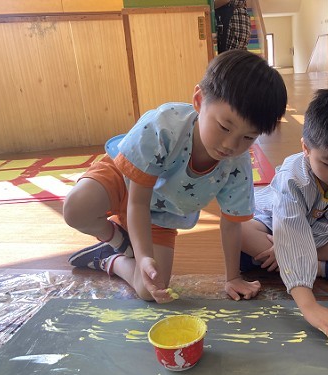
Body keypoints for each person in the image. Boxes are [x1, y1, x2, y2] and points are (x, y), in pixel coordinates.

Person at [63, 50, 287, 303]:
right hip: (125, 181)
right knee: (76, 208)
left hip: (160, 213)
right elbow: (137, 201)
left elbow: (231, 223)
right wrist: (142, 254)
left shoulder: (238, 163)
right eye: (224, 127)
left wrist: (232, 277)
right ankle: (117, 240)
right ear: (199, 100)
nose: (230, 145)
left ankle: (109, 259)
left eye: (248, 137)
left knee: (149, 289)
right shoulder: (164, 126)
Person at [240, 89, 328, 344]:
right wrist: (309, 306)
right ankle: (320, 268)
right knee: (240, 232)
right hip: (273, 224)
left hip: (319, 232)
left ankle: (289, 263)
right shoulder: (292, 177)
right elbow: (289, 227)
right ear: (306, 148)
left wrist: (293, 247)